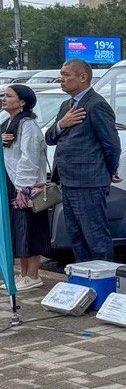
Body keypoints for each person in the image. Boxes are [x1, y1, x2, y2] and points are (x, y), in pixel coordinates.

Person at [45, 59, 121, 263]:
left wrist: (111, 169)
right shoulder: (66, 106)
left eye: (66, 75)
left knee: (95, 235)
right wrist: (62, 124)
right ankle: (83, 274)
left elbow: (111, 143)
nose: (61, 79)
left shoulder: (96, 105)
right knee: (76, 236)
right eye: (61, 74)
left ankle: (103, 275)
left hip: (89, 181)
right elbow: (50, 138)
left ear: (83, 77)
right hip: (67, 181)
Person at [2, 85, 50, 290]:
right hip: (14, 184)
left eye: (9, 96)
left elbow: (29, 158)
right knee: (19, 230)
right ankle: (23, 275)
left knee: (31, 229)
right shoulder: (10, 121)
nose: (4, 99)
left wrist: (24, 188)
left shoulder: (28, 124)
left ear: (22, 102)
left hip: (26, 186)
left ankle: (33, 274)